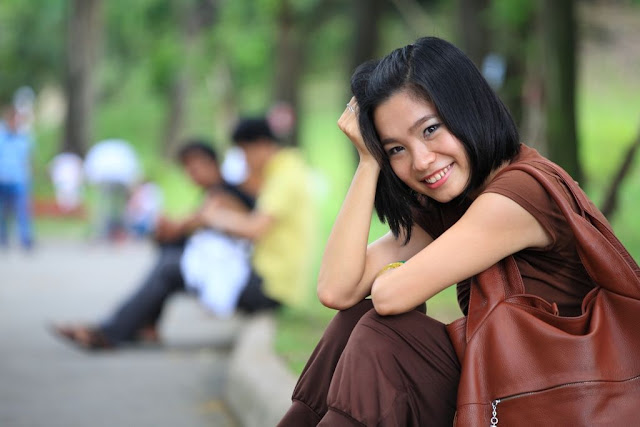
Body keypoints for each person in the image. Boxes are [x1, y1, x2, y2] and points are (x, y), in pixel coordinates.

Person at [278, 36, 612, 426]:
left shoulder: (519, 195)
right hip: (506, 389)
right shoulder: (459, 202)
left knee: (383, 334)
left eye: (430, 129)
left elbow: (390, 295)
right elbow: (337, 289)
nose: (421, 161)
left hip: (565, 404)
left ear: (467, 108)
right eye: (395, 149)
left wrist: (392, 279)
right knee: (358, 318)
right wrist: (368, 162)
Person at [52, 140, 256, 349]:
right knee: (169, 251)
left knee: (168, 263)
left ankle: (112, 332)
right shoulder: (213, 193)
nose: (191, 174)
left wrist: (180, 225)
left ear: (211, 163)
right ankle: (144, 324)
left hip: (236, 271)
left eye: (194, 168)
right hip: (218, 266)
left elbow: (202, 221)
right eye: (187, 170)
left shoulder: (225, 195)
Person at [201, 117, 316, 314]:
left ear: (262, 145)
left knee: (175, 269)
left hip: (274, 284)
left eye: (244, 152)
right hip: (270, 274)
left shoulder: (285, 177)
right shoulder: (283, 168)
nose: (244, 160)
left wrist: (213, 217)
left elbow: (254, 229)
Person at [84, 139, 141, 241]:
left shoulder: (101, 152)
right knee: (117, 205)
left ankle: (105, 229)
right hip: (120, 178)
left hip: (106, 178)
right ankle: (117, 229)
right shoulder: (123, 152)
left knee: (104, 205)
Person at [0, 105, 34, 250]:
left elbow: (27, 158)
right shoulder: (1, 136)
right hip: (2, 177)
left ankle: (25, 238)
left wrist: (29, 175)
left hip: (19, 178)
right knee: (3, 211)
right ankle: (3, 238)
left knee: (22, 210)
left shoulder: (24, 137)